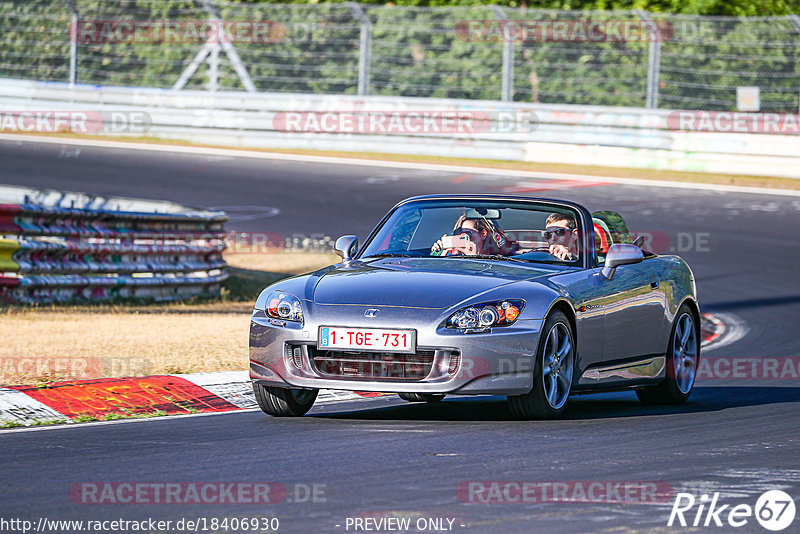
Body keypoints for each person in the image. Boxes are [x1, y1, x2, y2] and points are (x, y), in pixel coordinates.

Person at [431, 213, 518, 256]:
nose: (464, 239)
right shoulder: (453, 257)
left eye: (468, 235)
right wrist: (438, 254)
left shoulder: (503, 259)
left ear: (483, 234)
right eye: (459, 236)